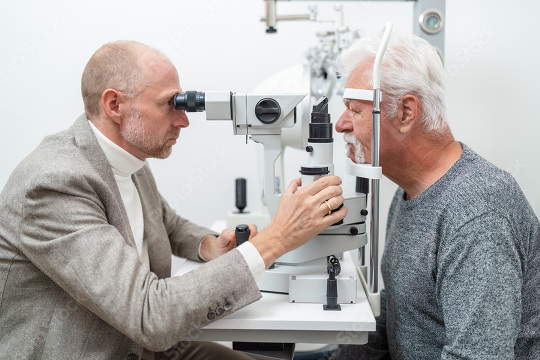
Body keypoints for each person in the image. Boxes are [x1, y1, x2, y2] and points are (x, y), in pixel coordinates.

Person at [0, 40, 347, 360]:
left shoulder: (125, 158)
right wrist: (278, 238)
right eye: (170, 104)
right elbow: (150, 315)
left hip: (143, 345)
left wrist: (208, 245)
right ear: (114, 105)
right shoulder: (55, 183)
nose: (183, 121)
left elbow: (165, 222)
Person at [330, 32, 540, 359]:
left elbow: (478, 356)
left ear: (406, 113)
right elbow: (399, 307)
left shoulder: (478, 211)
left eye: (354, 110)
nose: (339, 124)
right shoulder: (409, 191)